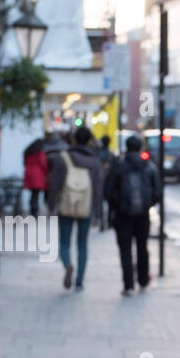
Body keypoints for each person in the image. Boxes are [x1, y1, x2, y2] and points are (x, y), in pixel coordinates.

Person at [46, 126, 104, 291]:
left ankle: (67, 264)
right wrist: (97, 213)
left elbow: (55, 184)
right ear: (89, 140)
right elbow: (99, 189)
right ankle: (79, 280)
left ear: (73, 139)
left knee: (64, 242)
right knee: (82, 244)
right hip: (86, 207)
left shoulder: (63, 158)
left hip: (66, 205)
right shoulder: (95, 162)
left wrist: (51, 206)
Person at [103, 134, 161, 295]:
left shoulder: (118, 166)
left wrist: (117, 205)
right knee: (142, 247)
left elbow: (107, 191)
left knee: (125, 250)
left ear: (126, 148)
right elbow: (157, 192)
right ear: (139, 148)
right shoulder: (149, 166)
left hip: (122, 215)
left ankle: (128, 285)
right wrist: (147, 205)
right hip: (143, 214)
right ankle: (143, 280)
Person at [97, 133, 118, 233]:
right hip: (109, 182)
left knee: (100, 203)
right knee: (110, 204)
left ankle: (101, 221)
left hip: (99, 181)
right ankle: (109, 221)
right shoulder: (112, 155)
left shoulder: (97, 154)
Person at [23, 137, 48, 215]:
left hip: (28, 173)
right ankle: (34, 211)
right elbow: (43, 163)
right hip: (37, 174)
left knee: (33, 194)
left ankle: (32, 209)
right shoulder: (40, 152)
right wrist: (46, 172)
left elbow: (24, 163)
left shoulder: (27, 151)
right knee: (36, 194)